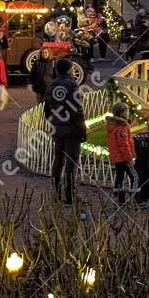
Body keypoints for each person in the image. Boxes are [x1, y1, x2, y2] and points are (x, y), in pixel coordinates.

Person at [45, 59, 86, 208]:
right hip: (71, 129)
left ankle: (57, 194)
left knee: (58, 161)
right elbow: (77, 111)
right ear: (68, 69)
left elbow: (47, 108)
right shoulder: (72, 85)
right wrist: (82, 130)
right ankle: (70, 196)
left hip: (58, 127)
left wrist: (54, 122)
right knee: (71, 163)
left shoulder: (52, 84)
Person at [106, 100, 138, 206]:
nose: (128, 112)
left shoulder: (113, 125)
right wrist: (130, 158)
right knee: (134, 176)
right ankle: (135, 198)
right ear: (121, 113)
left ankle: (119, 199)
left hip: (116, 157)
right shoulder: (122, 126)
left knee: (119, 177)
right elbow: (123, 145)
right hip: (123, 158)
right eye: (126, 110)